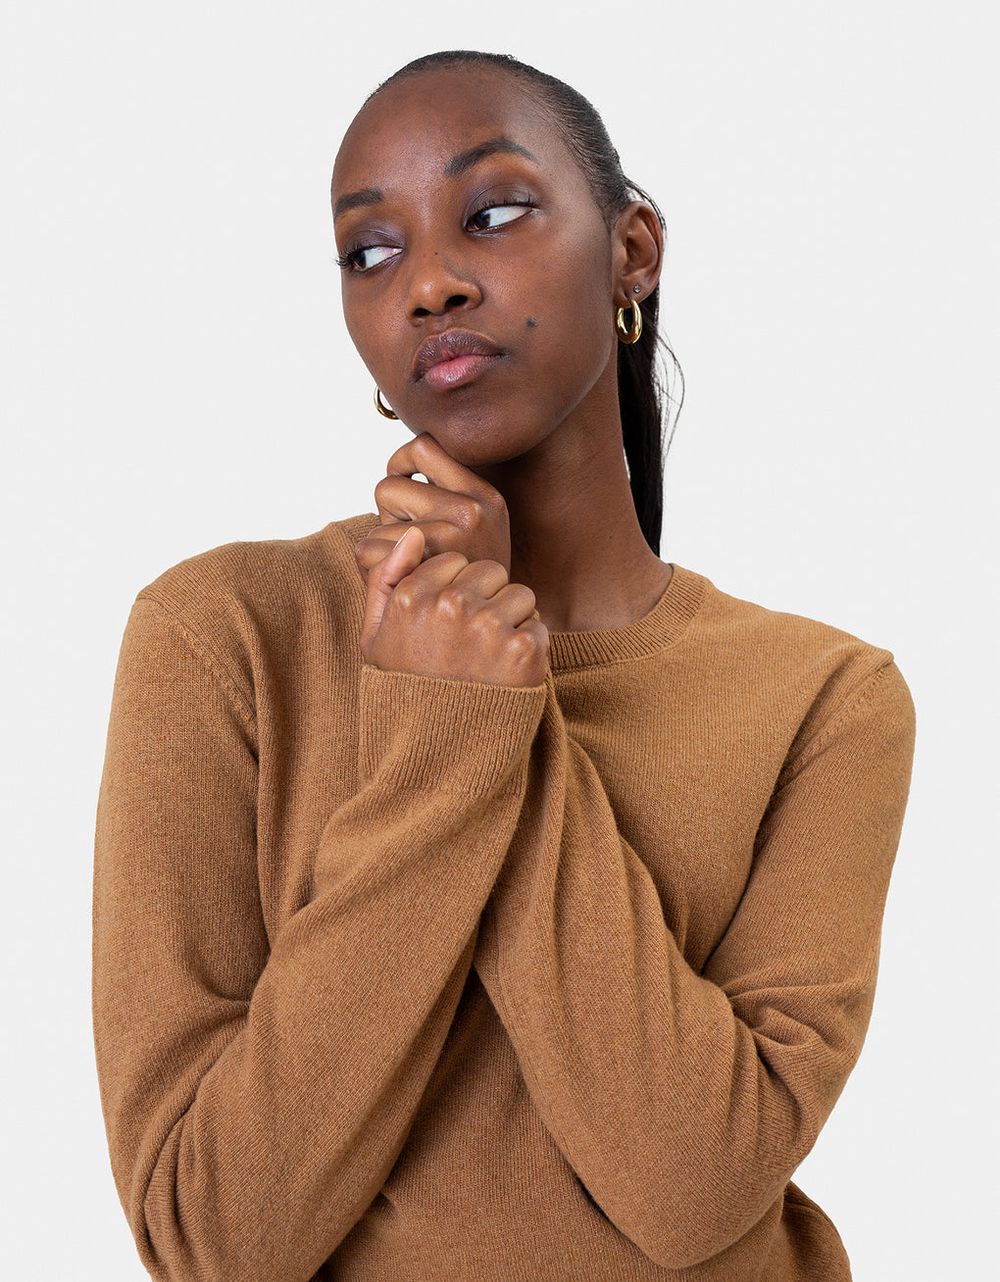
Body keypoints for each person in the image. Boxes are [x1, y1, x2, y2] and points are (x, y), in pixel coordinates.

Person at [92, 50, 916, 1282]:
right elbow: (215, 1238)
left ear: (631, 250)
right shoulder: (223, 637)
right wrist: (448, 722)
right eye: (370, 251)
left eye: (491, 213)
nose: (428, 282)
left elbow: (693, 1185)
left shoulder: (824, 699)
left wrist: (494, 707)